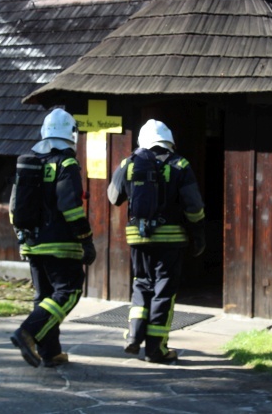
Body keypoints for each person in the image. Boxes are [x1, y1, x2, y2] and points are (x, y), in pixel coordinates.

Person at [107, 119, 206, 363]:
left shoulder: (129, 163)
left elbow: (112, 197)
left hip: (138, 238)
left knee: (141, 283)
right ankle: (156, 349)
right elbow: (194, 207)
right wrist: (199, 233)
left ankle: (133, 336)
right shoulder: (180, 164)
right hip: (170, 240)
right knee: (163, 291)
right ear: (169, 141)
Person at [9, 108, 96, 368]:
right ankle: (27, 332)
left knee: (44, 296)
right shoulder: (66, 163)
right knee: (68, 291)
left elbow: (14, 206)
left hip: (32, 243)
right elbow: (70, 207)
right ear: (72, 135)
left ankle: (50, 352)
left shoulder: (30, 163)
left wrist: (23, 238)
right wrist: (86, 239)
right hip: (61, 244)